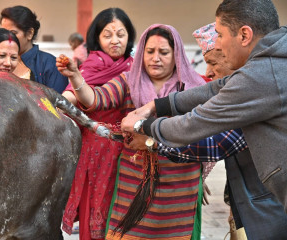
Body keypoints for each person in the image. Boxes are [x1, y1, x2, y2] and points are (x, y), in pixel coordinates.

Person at [120, 0, 287, 213]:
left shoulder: (261, 76)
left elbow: (195, 124)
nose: (217, 43)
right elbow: (215, 89)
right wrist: (158, 105)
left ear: (244, 35)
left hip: (265, 209)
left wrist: (144, 127)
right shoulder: (272, 59)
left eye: (220, 34)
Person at [57, 24, 208, 239]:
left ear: (177, 56)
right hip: (133, 185)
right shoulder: (128, 81)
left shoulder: (192, 88)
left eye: (164, 53)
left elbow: (202, 135)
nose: (156, 58)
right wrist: (75, 77)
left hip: (179, 189)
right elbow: (97, 98)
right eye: (149, 52)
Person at [147, 22, 287, 240]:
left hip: (269, 213)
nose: (208, 72)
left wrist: (149, 135)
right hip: (248, 207)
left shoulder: (255, 90)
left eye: (213, 62)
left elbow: (216, 144)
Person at [60, 8, 136, 240]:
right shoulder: (89, 67)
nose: (115, 40)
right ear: (97, 38)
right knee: (97, 208)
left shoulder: (137, 67)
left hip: (132, 149)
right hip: (97, 149)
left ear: (129, 36)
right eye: (107, 34)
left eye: (121, 34)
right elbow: (71, 97)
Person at [0, 5, 68, 93]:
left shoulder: (50, 65)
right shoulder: (0, 62)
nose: (7, 38)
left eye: (13, 33)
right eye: (3, 33)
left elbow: (59, 102)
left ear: (29, 33)